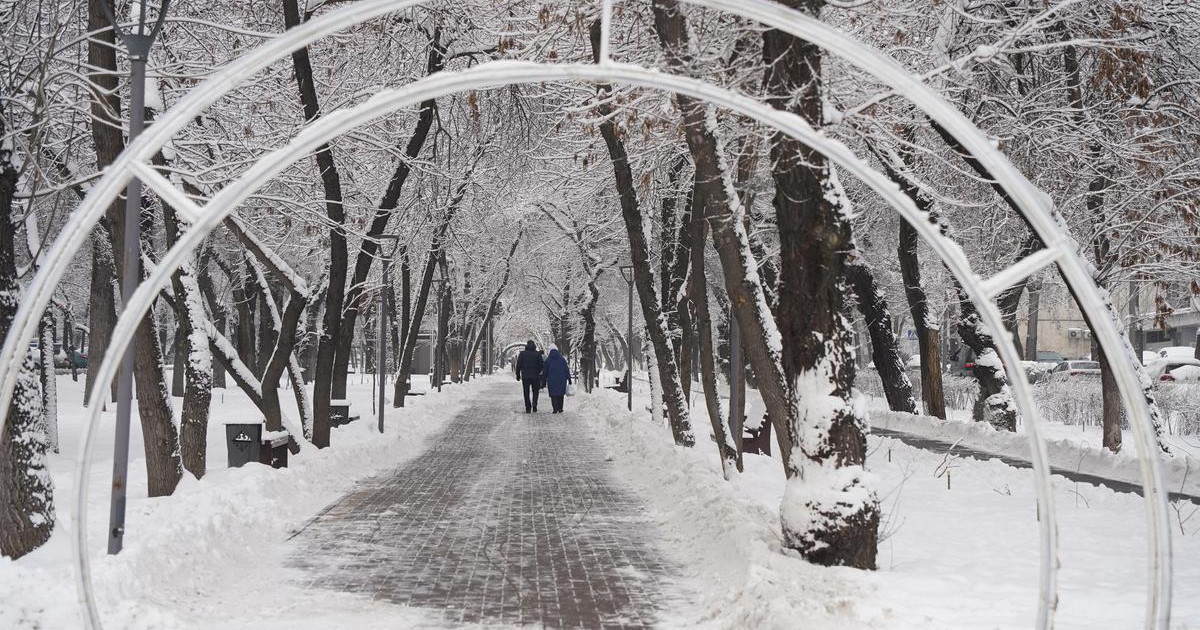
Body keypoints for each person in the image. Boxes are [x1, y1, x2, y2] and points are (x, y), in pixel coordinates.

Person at [513, 340, 544, 413]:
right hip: (535, 376)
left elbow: (519, 364)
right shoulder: (537, 354)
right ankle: (534, 404)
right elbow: (541, 365)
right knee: (535, 391)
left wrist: (518, 374)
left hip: (525, 376)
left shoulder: (522, 354)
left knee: (526, 392)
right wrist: (538, 372)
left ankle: (528, 407)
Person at [542, 345, 573, 414]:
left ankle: (555, 409)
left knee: (553, 394)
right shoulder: (562, 359)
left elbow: (545, 372)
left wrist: (543, 381)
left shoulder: (548, 360)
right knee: (560, 394)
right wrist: (569, 379)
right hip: (562, 379)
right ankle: (560, 408)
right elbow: (566, 369)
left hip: (551, 380)